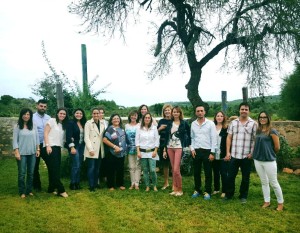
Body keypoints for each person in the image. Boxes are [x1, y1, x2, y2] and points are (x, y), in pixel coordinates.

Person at [224, 102, 257, 203]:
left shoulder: (253, 124)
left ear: (249, 111)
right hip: (234, 154)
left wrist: (252, 153)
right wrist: (228, 152)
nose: (244, 111)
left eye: (246, 109)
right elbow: (229, 138)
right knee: (230, 176)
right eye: (242, 109)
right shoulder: (233, 123)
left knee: (245, 177)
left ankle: (243, 196)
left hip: (246, 155)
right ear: (239, 110)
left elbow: (255, 140)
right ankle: (229, 195)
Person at [253, 111, 284, 211]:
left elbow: (277, 147)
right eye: (260, 117)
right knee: (264, 182)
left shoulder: (272, 131)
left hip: (269, 161)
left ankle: (280, 203)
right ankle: (267, 201)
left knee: (274, 182)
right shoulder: (258, 131)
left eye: (264, 117)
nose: (262, 119)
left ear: (268, 119)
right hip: (257, 160)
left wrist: (269, 153)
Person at [190, 105, 217, 200]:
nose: (200, 112)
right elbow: (192, 138)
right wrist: (192, 149)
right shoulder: (193, 124)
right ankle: (197, 190)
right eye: (198, 111)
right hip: (196, 151)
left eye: (201, 111)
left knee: (208, 172)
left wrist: (212, 153)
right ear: (195, 112)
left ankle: (207, 191)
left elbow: (214, 139)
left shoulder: (210, 124)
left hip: (207, 151)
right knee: (196, 172)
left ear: (204, 112)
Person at [163, 106, 191, 196]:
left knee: (176, 170)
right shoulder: (170, 123)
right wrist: (164, 149)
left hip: (179, 147)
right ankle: (175, 189)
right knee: (173, 169)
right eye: (174, 112)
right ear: (172, 113)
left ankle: (180, 190)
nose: (175, 113)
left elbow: (189, 134)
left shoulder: (184, 123)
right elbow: (167, 137)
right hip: (169, 147)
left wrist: (189, 144)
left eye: (177, 112)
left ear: (180, 113)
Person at [13, 108, 40, 198]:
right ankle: (22, 191)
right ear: (21, 115)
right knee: (22, 173)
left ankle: (29, 190)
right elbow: (15, 141)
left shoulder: (33, 125)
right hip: (22, 153)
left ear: (30, 116)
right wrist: (16, 152)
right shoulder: (17, 126)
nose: (26, 116)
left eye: (28, 114)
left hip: (32, 153)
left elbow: (37, 139)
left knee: (31, 173)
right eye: (25, 114)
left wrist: (38, 149)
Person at [44, 107, 69, 198]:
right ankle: (61, 190)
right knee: (54, 169)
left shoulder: (62, 125)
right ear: (57, 113)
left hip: (57, 148)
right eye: (61, 113)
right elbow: (45, 133)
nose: (62, 115)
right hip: (50, 147)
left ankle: (51, 189)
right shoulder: (52, 120)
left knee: (53, 168)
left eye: (64, 114)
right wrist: (47, 145)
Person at [135, 113, 160, 192]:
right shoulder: (139, 128)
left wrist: (155, 151)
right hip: (142, 152)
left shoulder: (154, 128)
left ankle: (154, 185)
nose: (147, 119)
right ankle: (147, 186)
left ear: (151, 119)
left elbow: (157, 140)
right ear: (143, 119)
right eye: (146, 118)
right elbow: (137, 140)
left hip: (152, 152)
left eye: (149, 118)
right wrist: (138, 151)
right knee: (145, 170)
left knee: (152, 170)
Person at [103, 113, 127, 190]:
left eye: (117, 118)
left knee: (120, 169)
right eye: (114, 119)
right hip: (112, 152)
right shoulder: (109, 129)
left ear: (120, 120)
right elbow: (104, 140)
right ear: (111, 120)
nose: (116, 120)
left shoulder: (122, 129)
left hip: (121, 153)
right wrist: (114, 147)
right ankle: (111, 185)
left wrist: (122, 149)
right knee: (111, 169)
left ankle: (120, 184)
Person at [84, 108, 104, 192]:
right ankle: (91, 185)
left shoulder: (102, 124)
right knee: (91, 168)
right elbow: (86, 138)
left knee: (97, 168)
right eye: (94, 113)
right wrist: (90, 149)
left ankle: (96, 183)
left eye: (97, 113)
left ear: (100, 114)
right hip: (91, 150)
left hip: (100, 149)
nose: (96, 115)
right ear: (92, 114)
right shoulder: (88, 123)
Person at [66, 108, 87, 190]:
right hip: (74, 146)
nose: (79, 115)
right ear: (74, 114)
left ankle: (77, 183)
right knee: (76, 165)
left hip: (82, 146)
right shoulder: (71, 123)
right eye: (77, 113)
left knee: (79, 165)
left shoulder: (83, 123)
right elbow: (68, 136)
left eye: (81, 113)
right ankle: (72, 183)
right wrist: (72, 147)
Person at [32, 99, 51, 191]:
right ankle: (37, 185)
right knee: (34, 166)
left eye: (44, 107)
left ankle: (52, 184)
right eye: (41, 106)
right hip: (35, 144)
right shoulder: (32, 117)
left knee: (51, 164)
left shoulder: (49, 118)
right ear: (37, 106)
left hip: (46, 144)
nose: (43, 108)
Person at [212, 111, 229, 198]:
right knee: (215, 172)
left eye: (221, 116)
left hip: (223, 154)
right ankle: (216, 189)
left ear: (223, 118)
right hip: (214, 153)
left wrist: (227, 153)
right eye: (217, 116)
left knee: (223, 172)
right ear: (215, 117)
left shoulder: (226, 128)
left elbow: (229, 142)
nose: (219, 117)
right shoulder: (212, 127)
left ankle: (224, 190)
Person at [157, 104, 172, 190]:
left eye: (168, 110)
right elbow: (156, 133)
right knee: (165, 164)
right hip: (162, 144)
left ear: (171, 111)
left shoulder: (174, 121)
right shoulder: (161, 121)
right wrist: (160, 128)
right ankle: (166, 182)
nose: (167, 111)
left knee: (174, 164)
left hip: (172, 144)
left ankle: (175, 183)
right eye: (165, 110)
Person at [125, 110, 141, 190]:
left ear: (137, 117)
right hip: (129, 149)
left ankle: (137, 183)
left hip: (138, 149)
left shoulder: (140, 125)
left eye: (135, 115)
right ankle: (132, 183)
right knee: (131, 166)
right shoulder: (126, 126)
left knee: (138, 166)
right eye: (132, 115)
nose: (133, 117)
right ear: (129, 116)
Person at [98, 107, 108, 184]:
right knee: (98, 161)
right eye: (99, 112)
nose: (100, 114)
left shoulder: (106, 122)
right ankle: (98, 177)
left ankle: (105, 176)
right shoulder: (94, 122)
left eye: (102, 112)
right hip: (97, 144)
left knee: (105, 161)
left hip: (106, 144)